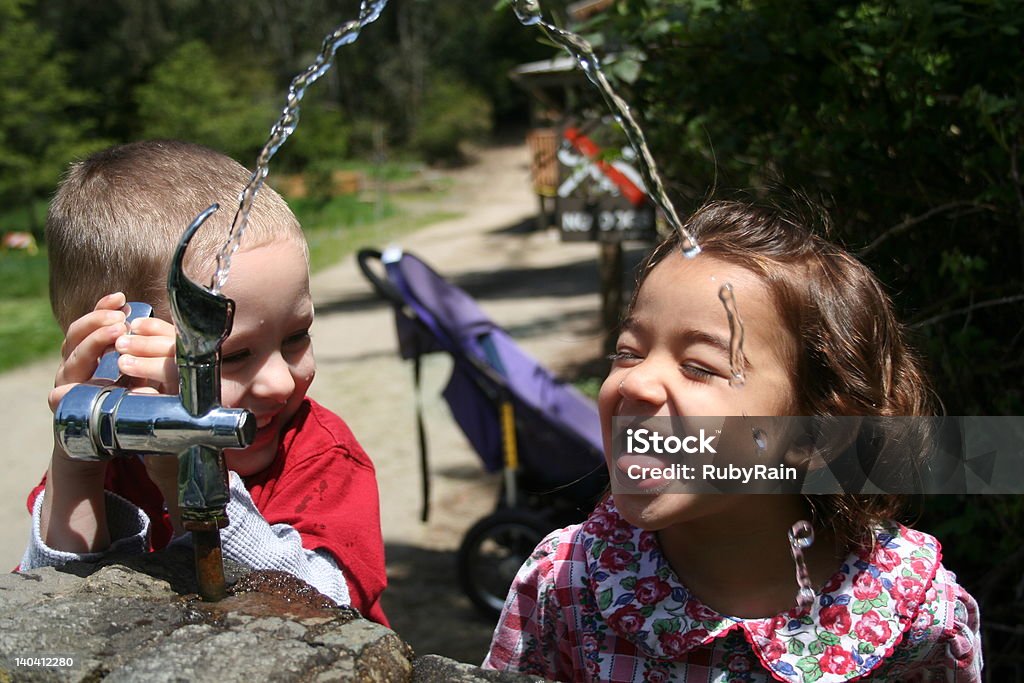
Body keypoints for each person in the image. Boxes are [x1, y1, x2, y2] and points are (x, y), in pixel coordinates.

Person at [483, 200, 982, 681]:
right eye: (628, 351)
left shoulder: (917, 620)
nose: (633, 383)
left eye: (699, 367)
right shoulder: (566, 585)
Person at [20, 140, 388, 626]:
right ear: (113, 355)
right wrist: (78, 460)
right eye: (231, 357)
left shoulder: (321, 457)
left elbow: (322, 608)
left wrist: (189, 474)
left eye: (297, 336)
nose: (279, 382)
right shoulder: (111, 467)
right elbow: (53, 617)